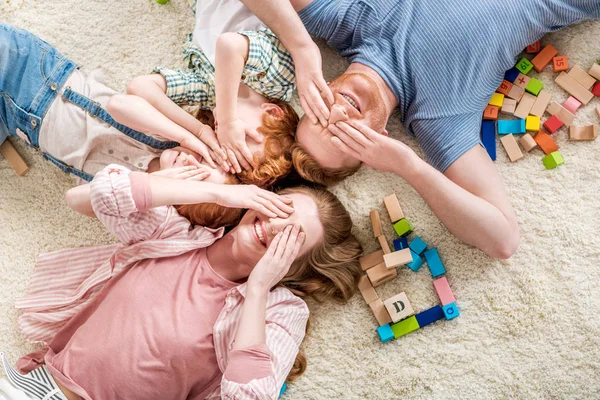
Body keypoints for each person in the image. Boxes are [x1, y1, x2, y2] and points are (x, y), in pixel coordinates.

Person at [239, 0, 600, 259]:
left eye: (318, 114)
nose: (337, 114)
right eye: (344, 135)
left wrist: (302, 49)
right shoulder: (439, 120)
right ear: (376, 143)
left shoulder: (345, 21)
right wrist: (408, 165)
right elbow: (502, 240)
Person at [1, 164, 363, 399]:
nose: (276, 225)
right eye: (281, 208)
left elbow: (249, 395)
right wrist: (217, 194)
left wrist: (257, 290)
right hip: (38, 384)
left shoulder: (280, 310)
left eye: (293, 236)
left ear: (297, 265)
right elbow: (94, 195)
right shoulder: (175, 234)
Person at [0, 23, 297, 228]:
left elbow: (79, 201)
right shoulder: (163, 137)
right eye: (204, 159)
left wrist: (165, 185)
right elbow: (120, 105)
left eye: (192, 177)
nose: (189, 162)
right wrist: (193, 135)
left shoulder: (135, 199)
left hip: (13, 119)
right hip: (36, 76)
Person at [120, 0, 298, 174]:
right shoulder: (278, 81)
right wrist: (229, 121)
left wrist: (199, 130)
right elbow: (229, 45)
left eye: (227, 145)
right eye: (242, 136)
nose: (226, 136)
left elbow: (139, 88)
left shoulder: (211, 95)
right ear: (273, 113)